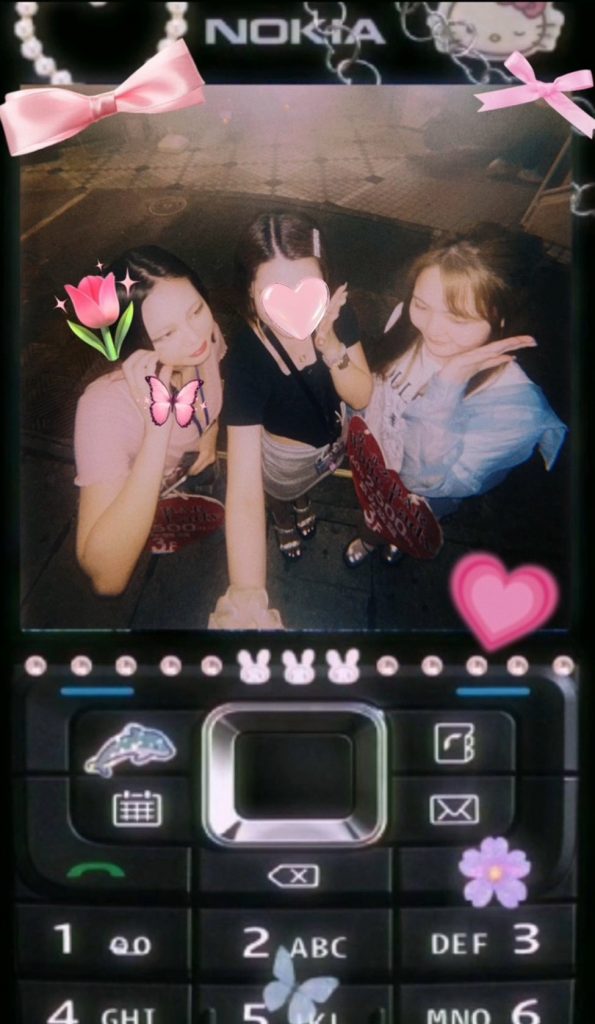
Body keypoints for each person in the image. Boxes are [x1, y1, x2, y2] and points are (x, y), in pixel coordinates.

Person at [344, 223, 567, 565]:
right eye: (422, 305)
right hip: (376, 467)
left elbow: (426, 482)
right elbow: (375, 393)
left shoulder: (517, 409)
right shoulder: (407, 321)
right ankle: (371, 539)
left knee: (407, 527)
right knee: (373, 520)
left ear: (502, 318)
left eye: (459, 319)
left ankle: (396, 542)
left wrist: (448, 385)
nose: (432, 330)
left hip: (425, 497)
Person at [211, 211, 372, 628]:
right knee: (279, 493)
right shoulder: (247, 359)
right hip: (283, 457)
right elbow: (244, 490)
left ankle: (302, 504)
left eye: (309, 287)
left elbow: (361, 395)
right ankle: (284, 522)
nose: (295, 308)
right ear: (250, 293)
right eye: (273, 293)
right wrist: (247, 596)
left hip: (329, 446)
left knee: (305, 489)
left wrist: (332, 348)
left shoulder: (338, 318)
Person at [74, 245, 226, 595]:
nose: (195, 337)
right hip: (144, 496)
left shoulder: (206, 338)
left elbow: (216, 372)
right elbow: (107, 578)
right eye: (166, 334)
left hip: (189, 481)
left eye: (196, 310)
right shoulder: (104, 408)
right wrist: (158, 427)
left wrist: (210, 430)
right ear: (136, 345)